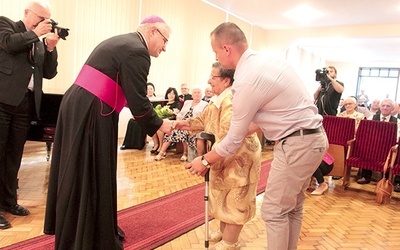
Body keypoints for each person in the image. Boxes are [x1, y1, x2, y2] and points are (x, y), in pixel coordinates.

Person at [177, 22, 328, 250]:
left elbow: (234, 139)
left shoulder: (247, 79)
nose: (216, 56)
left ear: (226, 49)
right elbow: (271, 113)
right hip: (314, 138)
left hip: (296, 143)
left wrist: (205, 160)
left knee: (273, 212)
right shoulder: (267, 61)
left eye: (216, 51)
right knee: (292, 207)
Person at [43, 15, 173, 249]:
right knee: (89, 170)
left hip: (81, 105)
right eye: (165, 40)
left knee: (77, 168)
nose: (165, 48)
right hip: (93, 110)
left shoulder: (124, 42)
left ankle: (80, 226)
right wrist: (160, 125)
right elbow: (138, 102)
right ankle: (85, 234)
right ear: (153, 31)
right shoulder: (137, 51)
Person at [176, 62, 261, 250]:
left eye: (213, 77)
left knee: (235, 200)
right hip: (224, 155)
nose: (208, 81)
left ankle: (231, 243)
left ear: (226, 80)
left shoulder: (230, 100)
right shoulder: (218, 98)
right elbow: (202, 120)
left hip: (239, 158)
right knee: (223, 196)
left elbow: (227, 135)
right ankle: (225, 233)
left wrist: (205, 160)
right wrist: (179, 124)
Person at [0, 0, 60, 230]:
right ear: (27, 13)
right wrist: (35, 33)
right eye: (40, 17)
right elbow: (8, 44)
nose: (44, 23)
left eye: (47, 19)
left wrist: (51, 48)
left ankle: (8, 201)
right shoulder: (7, 25)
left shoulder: (39, 42)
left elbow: (49, 73)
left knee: (14, 156)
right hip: (3, 101)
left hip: (25, 105)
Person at [155, 86, 208, 161]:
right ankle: (161, 152)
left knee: (184, 131)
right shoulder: (187, 102)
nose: (196, 94)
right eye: (195, 93)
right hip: (182, 122)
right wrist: (178, 121)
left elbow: (202, 117)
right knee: (170, 130)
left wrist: (189, 124)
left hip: (193, 124)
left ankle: (185, 153)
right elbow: (180, 113)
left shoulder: (205, 104)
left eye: (198, 93)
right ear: (192, 95)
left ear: (201, 94)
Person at [358, 98, 398, 185]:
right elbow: (365, 131)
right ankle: (365, 176)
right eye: (383, 105)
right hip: (372, 146)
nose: (385, 108)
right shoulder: (371, 118)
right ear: (380, 107)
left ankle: (386, 179)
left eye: (388, 106)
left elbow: (398, 136)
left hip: (388, 147)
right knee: (366, 148)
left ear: (392, 109)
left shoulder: (397, 121)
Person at [120, 82, 157, 150]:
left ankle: (140, 143)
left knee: (142, 123)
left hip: (150, 118)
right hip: (141, 116)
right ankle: (128, 143)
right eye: (148, 89)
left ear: (154, 90)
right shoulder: (143, 99)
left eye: (151, 89)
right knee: (131, 121)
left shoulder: (157, 99)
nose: (150, 90)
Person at [152, 87, 181, 154]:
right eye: (169, 93)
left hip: (172, 121)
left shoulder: (177, 103)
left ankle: (161, 146)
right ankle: (156, 144)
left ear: (175, 95)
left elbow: (175, 115)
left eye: (173, 94)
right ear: (167, 94)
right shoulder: (164, 103)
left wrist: (165, 119)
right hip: (163, 120)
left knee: (159, 127)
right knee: (152, 125)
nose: (171, 95)